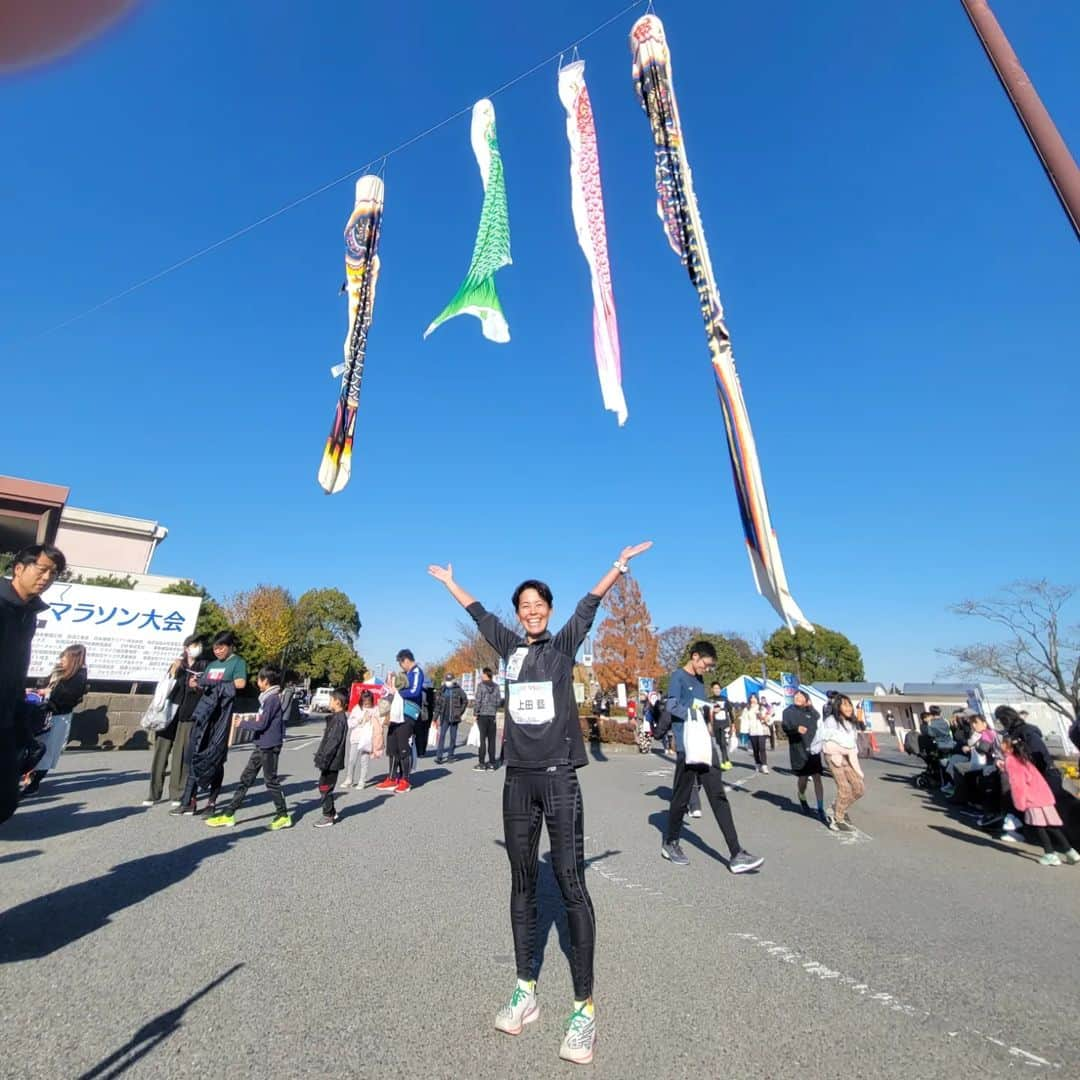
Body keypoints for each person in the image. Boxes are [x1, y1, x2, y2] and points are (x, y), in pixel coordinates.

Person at [428, 542, 653, 1066]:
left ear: (548, 612)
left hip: (558, 779)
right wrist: (449, 584)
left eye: (538, 606)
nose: (531, 612)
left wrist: (616, 570)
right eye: (524, 607)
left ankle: (584, 1009)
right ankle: (525, 987)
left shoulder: (562, 646)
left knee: (571, 883)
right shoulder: (509, 649)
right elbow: (480, 616)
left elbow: (588, 608)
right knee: (522, 882)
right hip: (517, 779)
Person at [661, 640, 764, 876]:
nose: (706, 670)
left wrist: (709, 714)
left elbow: (700, 707)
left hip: (704, 744)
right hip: (687, 746)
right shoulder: (678, 676)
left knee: (717, 794)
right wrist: (695, 710)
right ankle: (670, 842)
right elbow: (671, 705)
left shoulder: (699, 681)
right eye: (705, 665)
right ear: (695, 657)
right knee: (680, 797)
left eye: (708, 667)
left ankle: (736, 853)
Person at [1, 544, 65, 825]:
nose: (48, 577)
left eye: (54, 573)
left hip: (7, 715)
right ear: (19, 568)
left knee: (5, 799)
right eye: (42, 569)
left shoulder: (27, 613)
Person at [205, 664, 291, 830]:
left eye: (259, 679)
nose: (257, 681)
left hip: (269, 746)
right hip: (262, 744)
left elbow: (262, 723)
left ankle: (283, 815)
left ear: (265, 681)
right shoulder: (267, 697)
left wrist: (243, 723)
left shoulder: (272, 699)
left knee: (270, 781)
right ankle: (229, 814)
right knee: (246, 779)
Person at [173, 630, 248, 816]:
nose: (217, 651)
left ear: (231, 647)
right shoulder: (212, 664)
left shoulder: (237, 663)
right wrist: (196, 684)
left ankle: (211, 802)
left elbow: (240, 684)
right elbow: (204, 685)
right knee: (194, 754)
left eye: (221, 647)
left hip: (221, 716)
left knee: (215, 758)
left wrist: (217, 683)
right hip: (204, 713)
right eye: (215, 648)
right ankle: (189, 800)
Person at [146, 634, 206, 806]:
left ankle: (177, 793)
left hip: (188, 714)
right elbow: (165, 687)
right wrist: (174, 671)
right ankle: (154, 792)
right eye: (194, 645)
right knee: (160, 753)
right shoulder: (176, 664)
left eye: (199, 645)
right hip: (168, 713)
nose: (197, 648)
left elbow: (207, 688)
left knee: (181, 755)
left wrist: (197, 686)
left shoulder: (204, 665)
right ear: (186, 648)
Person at [1001, 734, 1078, 866]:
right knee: (1051, 826)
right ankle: (1070, 852)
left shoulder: (1010, 761)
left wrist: (1019, 803)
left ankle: (1050, 854)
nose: (1000, 745)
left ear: (1008, 747)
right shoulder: (1024, 759)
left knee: (1039, 827)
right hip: (1043, 797)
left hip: (1031, 799)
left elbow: (1017, 784)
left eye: (1002, 743)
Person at [23, 642, 87, 795]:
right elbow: (45, 684)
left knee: (48, 750)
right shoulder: (59, 671)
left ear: (73, 658)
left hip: (58, 717)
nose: (61, 660)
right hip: (42, 713)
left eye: (64, 657)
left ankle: (34, 783)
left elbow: (67, 698)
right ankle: (28, 775)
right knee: (34, 745)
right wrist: (38, 690)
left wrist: (48, 693)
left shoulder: (78, 677)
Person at [376, 650, 424, 794]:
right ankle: (391, 778)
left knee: (404, 747)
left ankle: (405, 780)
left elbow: (415, 691)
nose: (401, 666)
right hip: (396, 714)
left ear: (406, 660)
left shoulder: (417, 672)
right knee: (392, 746)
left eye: (401, 663)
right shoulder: (405, 675)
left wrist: (396, 691)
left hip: (408, 714)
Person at [817, 694, 864, 832]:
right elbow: (826, 742)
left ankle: (836, 808)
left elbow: (852, 744)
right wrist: (837, 754)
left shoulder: (852, 722)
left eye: (849, 704)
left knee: (859, 788)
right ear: (838, 706)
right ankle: (837, 819)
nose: (848, 707)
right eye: (844, 704)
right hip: (834, 756)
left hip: (848, 757)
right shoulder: (831, 721)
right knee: (844, 788)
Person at [782, 689, 825, 820]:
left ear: (806, 700)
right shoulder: (788, 712)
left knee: (817, 777)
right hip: (798, 748)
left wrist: (811, 706)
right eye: (796, 696)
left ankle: (820, 807)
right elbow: (785, 727)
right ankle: (801, 794)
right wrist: (796, 729)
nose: (798, 698)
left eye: (801, 696)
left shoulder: (812, 712)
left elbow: (818, 721)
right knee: (803, 778)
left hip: (813, 748)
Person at [312, 689, 349, 827]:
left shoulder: (339, 720)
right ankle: (331, 812)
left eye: (330, 700)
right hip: (331, 760)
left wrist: (323, 759)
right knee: (324, 786)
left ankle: (328, 816)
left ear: (337, 702)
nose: (329, 702)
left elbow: (333, 742)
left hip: (331, 761)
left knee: (325, 787)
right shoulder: (337, 718)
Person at [343, 689, 382, 788]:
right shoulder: (357, 709)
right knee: (352, 759)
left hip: (368, 739)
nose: (367, 705)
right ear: (361, 701)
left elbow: (379, 723)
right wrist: (361, 719)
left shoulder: (375, 709)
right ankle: (349, 779)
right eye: (365, 702)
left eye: (369, 703)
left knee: (364, 761)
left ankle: (362, 781)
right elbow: (350, 724)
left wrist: (373, 718)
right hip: (356, 738)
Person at [434, 672, 468, 764]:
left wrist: (460, 712)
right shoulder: (442, 690)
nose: (448, 682)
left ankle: (450, 756)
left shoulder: (458, 690)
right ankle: (439, 756)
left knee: (453, 737)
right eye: (447, 680)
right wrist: (435, 718)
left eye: (450, 680)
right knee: (442, 736)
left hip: (455, 718)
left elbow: (465, 701)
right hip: (444, 717)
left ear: (453, 680)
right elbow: (438, 705)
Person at [473, 667, 500, 771]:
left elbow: (478, 700)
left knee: (482, 740)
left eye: (482, 674)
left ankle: (481, 763)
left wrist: (475, 713)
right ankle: (492, 763)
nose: (481, 676)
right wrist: (493, 709)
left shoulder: (481, 686)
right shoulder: (496, 687)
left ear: (485, 675)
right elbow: (498, 702)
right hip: (492, 716)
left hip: (482, 716)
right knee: (492, 740)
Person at [742, 693, 770, 774]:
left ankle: (764, 766)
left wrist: (763, 717)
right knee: (755, 749)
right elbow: (744, 720)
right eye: (751, 698)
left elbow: (768, 717)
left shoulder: (761, 708)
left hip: (761, 730)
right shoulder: (747, 709)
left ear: (757, 699)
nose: (753, 699)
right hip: (752, 731)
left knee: (762, 748)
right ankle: (757, 763)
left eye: (754, 698)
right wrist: (745, 731)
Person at [709, 682, 733, 771]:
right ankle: (727, 760)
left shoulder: (725, 699)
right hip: (715, 725)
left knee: (723, 743)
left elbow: (730, 712)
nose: (716, 690)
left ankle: (723, 762)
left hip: (725, 724)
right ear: (712, 690)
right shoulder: (710, 700)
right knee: (719, 743)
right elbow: (707, 712)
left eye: (718, 688)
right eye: (715, 688)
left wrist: (733, 724)